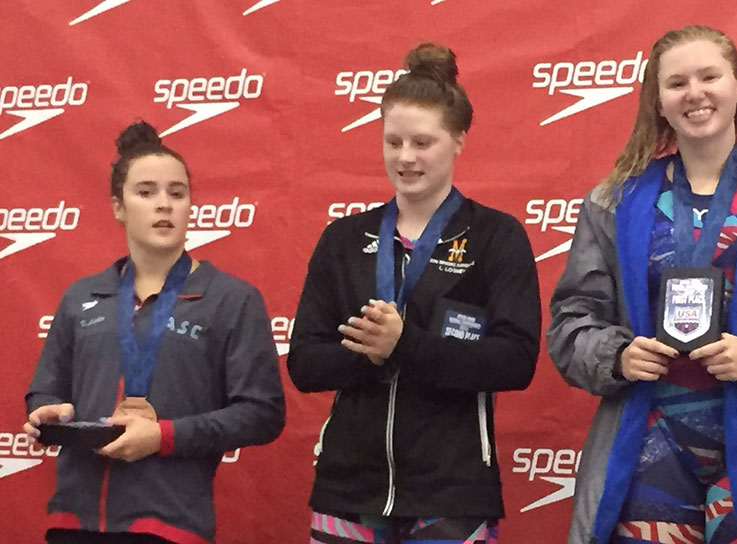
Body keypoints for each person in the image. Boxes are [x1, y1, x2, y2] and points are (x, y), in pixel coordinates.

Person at [547, 25, 737, 544]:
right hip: (649, 450)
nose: (695, 93)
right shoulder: (613, 204)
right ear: (659, 102)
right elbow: (571, 322)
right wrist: (616, 355)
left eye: (709, 77)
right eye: (677, 83)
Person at [288, 42, 540, 544]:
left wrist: (406, 346)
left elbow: (515, 361)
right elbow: (304, 363)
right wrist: (372, 353)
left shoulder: (496, 236)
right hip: (348, 489)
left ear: (459, 140)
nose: (405, 157)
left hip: (452, 494)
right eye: (393, 141)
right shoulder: (343, 239)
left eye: (423, 142)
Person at [23, 121, 286, 544]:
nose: (164, 204)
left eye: (177, 194)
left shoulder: (231, 299)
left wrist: (163, 436)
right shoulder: (81, 296)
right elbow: (44, 391)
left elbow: (262, 414)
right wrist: (51, 414)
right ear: (118, 207)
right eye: (146, 193)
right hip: (74, 521)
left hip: (170, 524)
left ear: (190, 206)